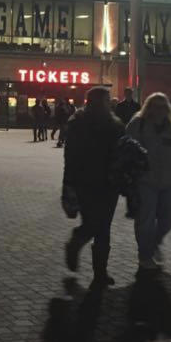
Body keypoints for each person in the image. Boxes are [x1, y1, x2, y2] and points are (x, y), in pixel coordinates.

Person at [62, 86, 126, 287]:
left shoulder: (77, 122)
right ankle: (97, 269)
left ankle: (96, 265)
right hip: (106, 182)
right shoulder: (113, 125)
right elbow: (120, 153)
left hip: (84, 180)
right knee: (101, 226)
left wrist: (69, 180)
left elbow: (69, 155)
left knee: (94, 223)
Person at [126, 93, 171, 269]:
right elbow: (127, 148)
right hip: (144, 181)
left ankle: (154, 243)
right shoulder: (138, 124)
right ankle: (144, 256)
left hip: (168, 181)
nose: (159, 109)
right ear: (148, 106)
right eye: (155, 105)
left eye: (163, 106)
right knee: (145, 220)